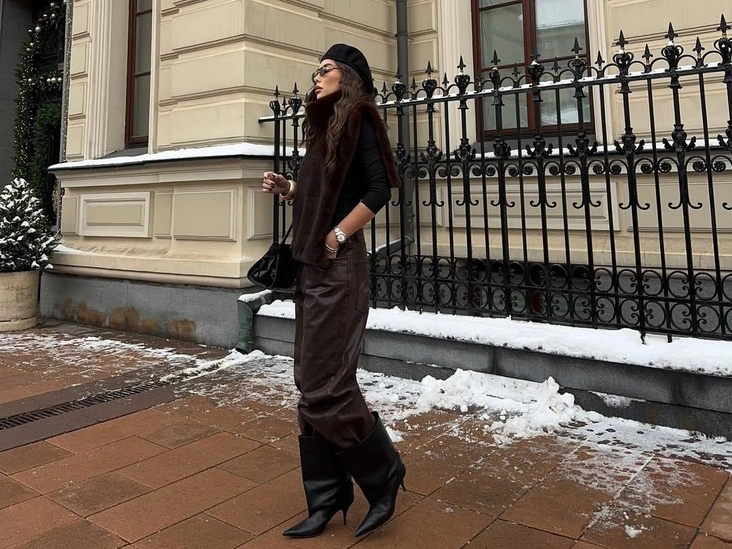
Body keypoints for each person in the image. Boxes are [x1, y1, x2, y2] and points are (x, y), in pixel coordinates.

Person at [262, 44, 405, 538]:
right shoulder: (325, 129)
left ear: (348, 75)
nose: (316, 77)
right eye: (316, 70)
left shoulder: (361, 118)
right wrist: (289, 189)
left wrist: (336, 236)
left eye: (325, 69)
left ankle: (384, 473)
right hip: (311, 270)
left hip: (338, 267)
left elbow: (380, 188)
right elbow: (325, 195)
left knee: (328, 386)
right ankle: (326, 497)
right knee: (309, 382)